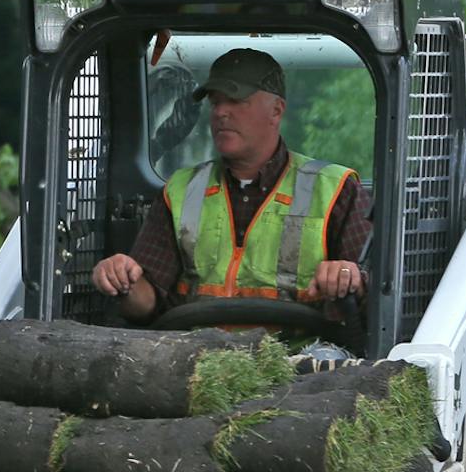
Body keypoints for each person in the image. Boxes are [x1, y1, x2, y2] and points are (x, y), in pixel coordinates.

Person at [93, 48, 372, 330]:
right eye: (215, 102)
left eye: (236, 101)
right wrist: (122, 279)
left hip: (300, 362)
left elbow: (372, 292)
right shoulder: (180, 191)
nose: (221, 113)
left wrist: (349, 276)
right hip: (194, 361)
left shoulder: (336, 190)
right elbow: (147, 302)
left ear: (276, 110)